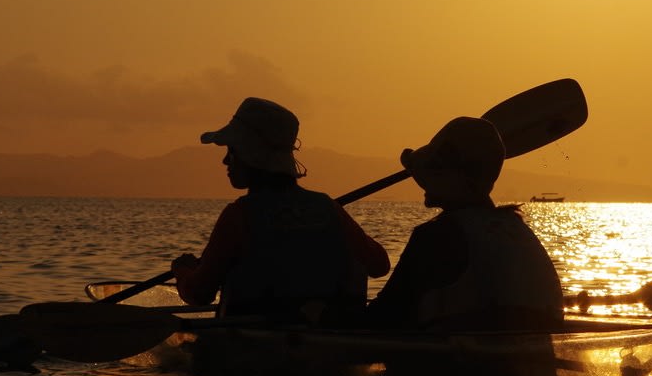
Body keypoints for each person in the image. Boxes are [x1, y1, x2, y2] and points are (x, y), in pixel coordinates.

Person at [171, 97, 389, 326]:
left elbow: (199, 295)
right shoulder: (329, 208)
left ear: (250, 155)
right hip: (327, 346)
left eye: (232, 150)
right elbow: (379, 265)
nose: (225, 160)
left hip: (251, 350)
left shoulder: (239, 216)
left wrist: (183, 271)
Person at [365, 116, 564, 332]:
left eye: (433, 171)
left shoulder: (438, 236)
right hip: (529, 363)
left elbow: (382, 316)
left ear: (448, 176)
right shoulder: (517, 228)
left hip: (461, 363)